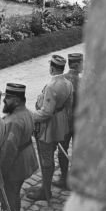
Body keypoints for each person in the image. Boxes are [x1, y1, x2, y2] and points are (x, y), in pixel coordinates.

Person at [0, 83, 38, 211]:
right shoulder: (27, 112)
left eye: (7, 99)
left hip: (15, 165)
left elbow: (8, 151)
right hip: (25, 159)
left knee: (8, 196)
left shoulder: (13, 121)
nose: (4, 102)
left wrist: (0, 173)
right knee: (14, 194)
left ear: (16, 100)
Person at [27, 54, 73, 201]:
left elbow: (46, 112)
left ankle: (45, 191)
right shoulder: (68, 83)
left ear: (52, 68)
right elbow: (68, 106)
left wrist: (31, 116)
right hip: (61, 123)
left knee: (46, 158)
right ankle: (45, 187)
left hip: (49, 126)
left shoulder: (51, 86)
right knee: (50, 155)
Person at [54, 52, 84, 189]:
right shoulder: (82, 82)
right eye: (82, 64)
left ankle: (64, 178)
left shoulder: (62, 80)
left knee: (63, 150)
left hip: (64, 122)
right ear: (77, 65)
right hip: (78, 123)